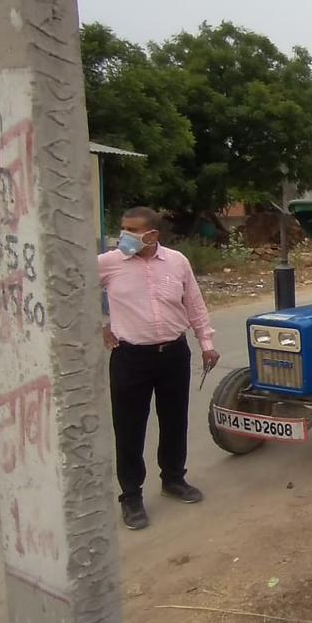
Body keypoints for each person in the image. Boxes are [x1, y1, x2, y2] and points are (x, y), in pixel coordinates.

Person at [98, 207, 220, 530]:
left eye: (131, 231)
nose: (123, 236)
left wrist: (206, 343)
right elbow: (73, 291)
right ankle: (131, 496)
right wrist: (100, 324)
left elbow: (194, 303)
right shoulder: (109, 264)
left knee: (174, 420)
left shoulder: (177, 262)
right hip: (129, 359)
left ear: (152, 235)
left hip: (173, 354)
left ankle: (174, 479)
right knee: (129, 429)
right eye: (122, 229)